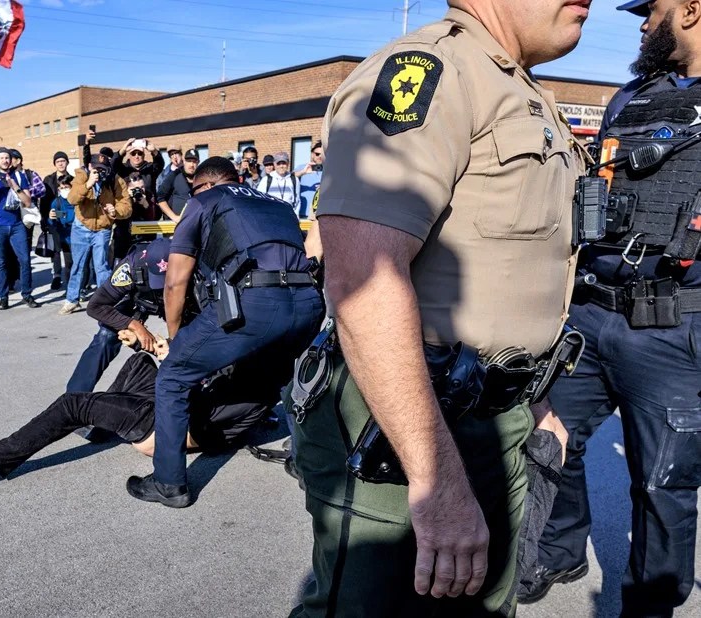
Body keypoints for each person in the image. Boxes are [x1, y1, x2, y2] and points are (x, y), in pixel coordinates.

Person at [289, 0, 592, 615]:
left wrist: (535, 397)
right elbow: (361, 276)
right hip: (410, 427)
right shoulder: (430, 69)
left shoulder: (517, 88)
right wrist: (435, 480)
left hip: (495, 411)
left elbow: (507, 272)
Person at [527, 2, 701, 615]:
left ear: (690, 9)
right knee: (545, 439)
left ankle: (649, 604)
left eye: (649, 10)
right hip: (593, 313)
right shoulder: (630, 98)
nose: (640, 22)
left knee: (664, 483)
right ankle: (559, 547)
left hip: (678, 325)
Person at [126, 157, 324, 508]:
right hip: (308, 302)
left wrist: (177, 338)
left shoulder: (205, 201)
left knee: (173, 376)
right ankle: (307, 464)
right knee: (289, 381)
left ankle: (168, 482)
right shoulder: (279, 204)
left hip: (256, 302)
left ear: (203, 185)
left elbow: (175, 281)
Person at [0, 337, 274, 490]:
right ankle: (103, 420)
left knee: (73, 404)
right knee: (141, 361)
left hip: (167, 426)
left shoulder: (253, 374)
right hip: (175, 406)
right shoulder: (261, 361)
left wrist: (179, 358)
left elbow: (204, 399)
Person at [66, 238, 173, 393]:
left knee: (187, 345)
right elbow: (95, 306)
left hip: (180, 299)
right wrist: (133, 325)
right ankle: (74, 398)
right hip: (140, 300)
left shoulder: (193, 266)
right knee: (105, 337)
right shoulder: (131, 266)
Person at [59, 149, 131, 315]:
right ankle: (72, 300)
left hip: (103, 229)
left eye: (102, 169)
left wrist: (115, 212)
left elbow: (126, 206)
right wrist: (88, 184)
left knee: (102, 266)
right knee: (78, 265)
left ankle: (106, 302)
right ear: (89, 166)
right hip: (81, 226)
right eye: (96, 168)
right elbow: (71, 199)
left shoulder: (115, 180)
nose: (99, 172)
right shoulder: (81, 175)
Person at [0, 148, 40, 310]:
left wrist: (14, 185)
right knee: (1, 262)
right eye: (2, 158)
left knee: (25, 260)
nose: (5, 160)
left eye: (7, 157)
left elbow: (27, 202)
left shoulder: (19, 176)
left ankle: (27, 294)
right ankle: (3, 297)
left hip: (16, 225)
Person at [111, 137, 164, 259]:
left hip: (146, 214)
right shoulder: (124, 169)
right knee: (123, 255)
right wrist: (124, 149)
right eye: (133, 153)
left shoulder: (150, 169)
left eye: (139, 153)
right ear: (129, 155)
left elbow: (160, 164)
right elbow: (114, 163)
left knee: (146, 256)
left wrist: (154, 150)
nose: (136, 156)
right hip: (126, 218)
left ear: (143, 155)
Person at [41, 151, 74, 291]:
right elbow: (43, 201)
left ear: (67, 162)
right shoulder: (48, 179)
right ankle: (57, 275)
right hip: (53, 218)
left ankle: (69, 276)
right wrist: (44, 219)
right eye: (58, 161)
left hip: (68, 221)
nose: (61, 163)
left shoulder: (72, 179)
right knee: (55, 250)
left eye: (63, 161)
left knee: (68, 250)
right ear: (54, 164)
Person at [157, 149, 199, 223]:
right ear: (184, 161)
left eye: (194, 162)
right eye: (189, 161)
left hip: (196, 224)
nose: (192, 165)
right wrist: (174, 217)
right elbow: (160, 198)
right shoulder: (174, 175)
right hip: (175, 226)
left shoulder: (202, 177)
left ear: (198, 162)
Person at [293, 141, 324, 219]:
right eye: (317, 154)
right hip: (303, 213)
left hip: (322, 214)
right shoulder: (303, 167)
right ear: (312, 154)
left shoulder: (329, 170)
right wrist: (303, 172)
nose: (319, 157)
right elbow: (288, 178)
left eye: (322, 154)